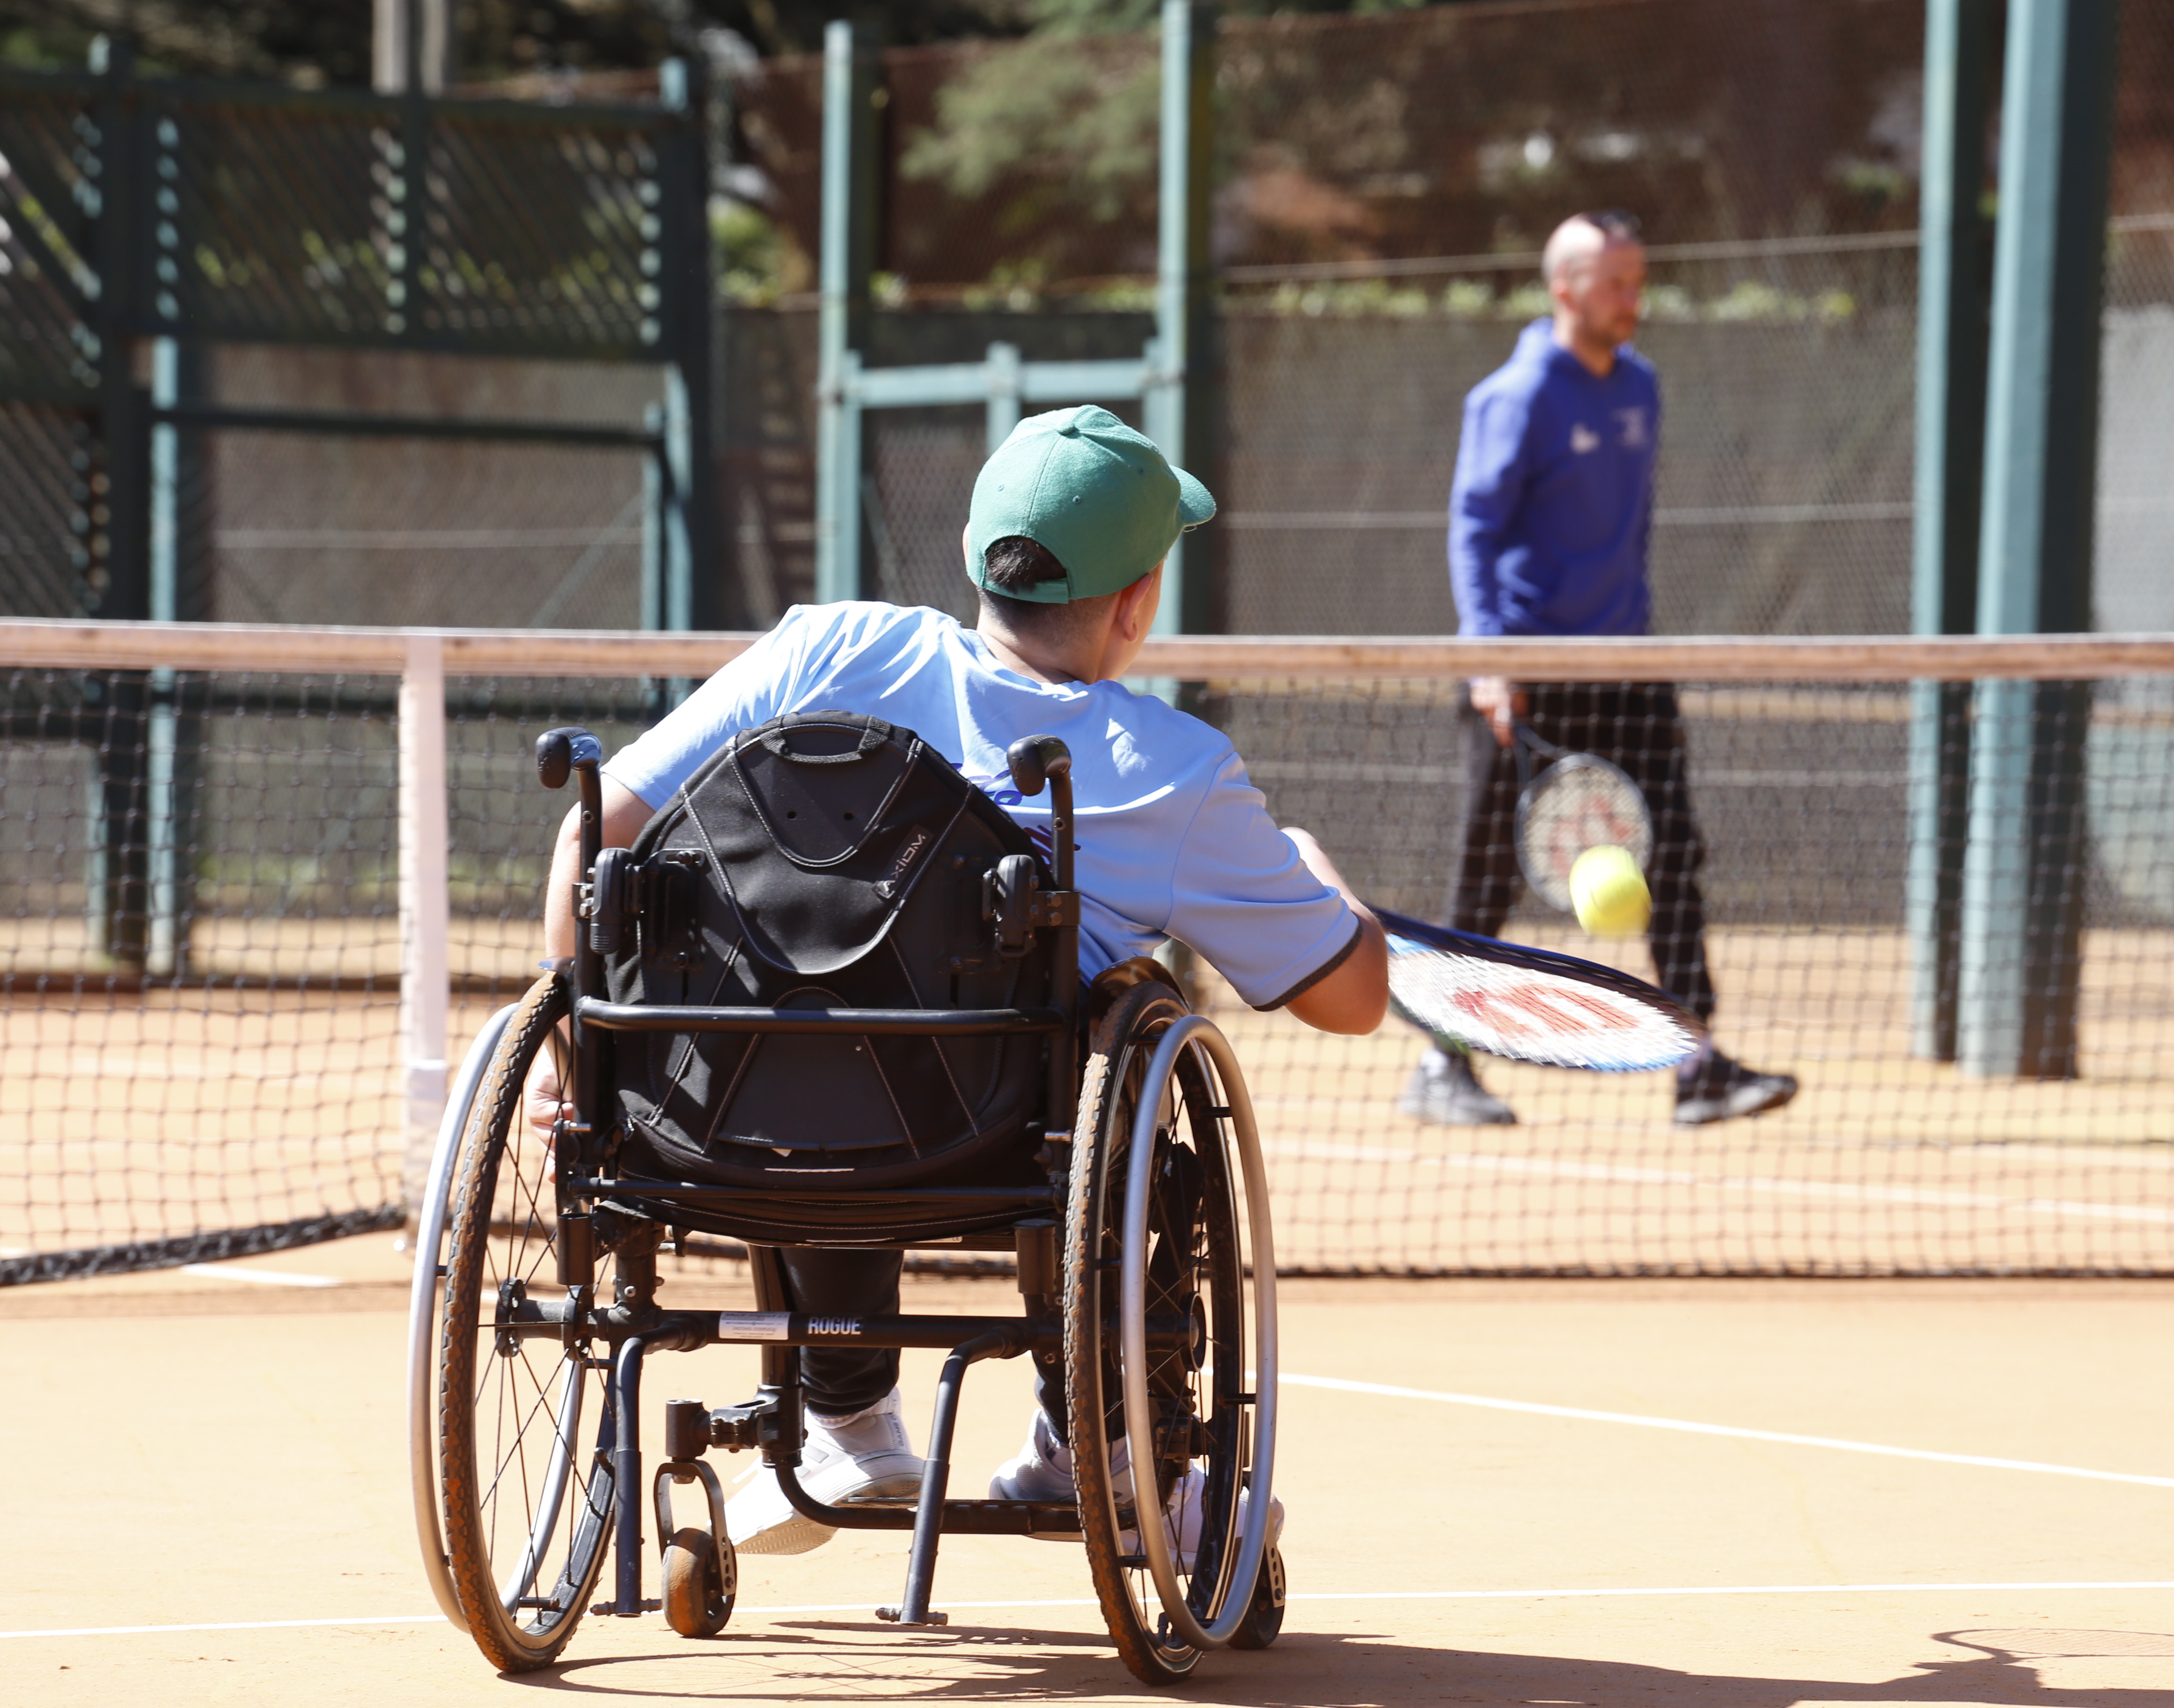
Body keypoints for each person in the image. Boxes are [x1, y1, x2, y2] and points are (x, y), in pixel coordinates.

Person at [536, 405, 1388, 1554]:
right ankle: (1106, 1440)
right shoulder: (1173, 773)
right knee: (1130, 1017)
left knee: (816, 1022)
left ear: (982, 558)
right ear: (1136, 604)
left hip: (726, 1124)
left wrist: (572, 1065)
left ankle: (844, 1415)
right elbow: (1353, 996)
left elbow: (587, 845)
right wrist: (1333, 888)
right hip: (1001, 1145)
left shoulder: (822, 650)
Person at [1403, 210, 1798, 1129]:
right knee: (1487, 876)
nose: (1635, 299)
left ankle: (1698, 1067)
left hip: (1627, 662)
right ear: (1566, 289)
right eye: (1617, 283)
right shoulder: (1518, 395)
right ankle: (1440, 1062)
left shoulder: (1641, 388)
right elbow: (1475, 528)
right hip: (1527, 667)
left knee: (1679, 857)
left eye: (1638, 279)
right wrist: (1490, 656)